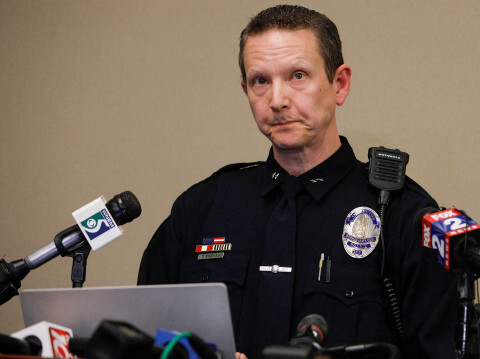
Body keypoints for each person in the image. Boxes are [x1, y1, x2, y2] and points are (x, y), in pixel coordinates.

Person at [138, 5, 457, 358]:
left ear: (340, 84)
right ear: (245, 89)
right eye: (261, 81)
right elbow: (147, 340)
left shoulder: (402, 216)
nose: (277, 101)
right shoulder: (201, 208)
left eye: (298, 76)